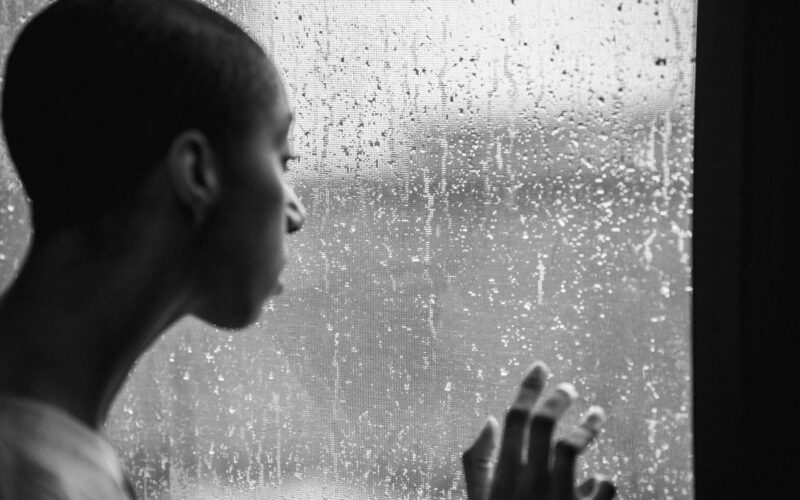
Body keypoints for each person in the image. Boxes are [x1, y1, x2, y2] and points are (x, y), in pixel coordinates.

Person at [0, 0, 616, 499]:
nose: (296, 212)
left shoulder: (58, 444)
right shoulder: (34, 476)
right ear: (198, 172)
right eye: (282, 160)